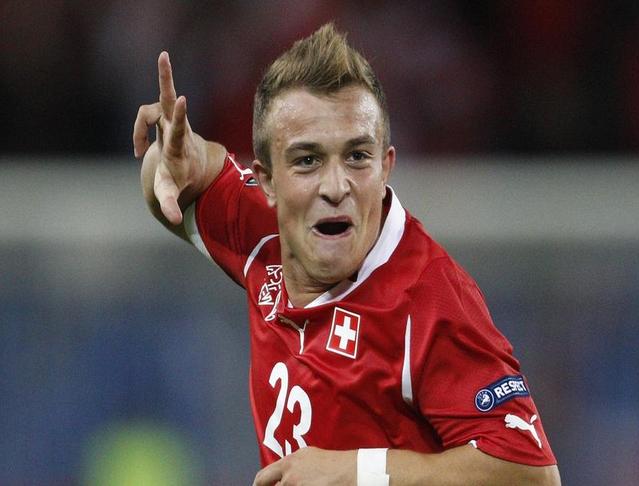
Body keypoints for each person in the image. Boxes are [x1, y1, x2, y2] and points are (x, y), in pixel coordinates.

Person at [133, 24, 561, 485]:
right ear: (268, 181)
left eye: (357, 156)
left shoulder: (428, 299)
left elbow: (532, 475)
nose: (335, 187)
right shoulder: (267, 235)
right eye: (307, 160)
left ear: (386, 167)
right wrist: (167, 161)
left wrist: (358, 472)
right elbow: (176, 185)